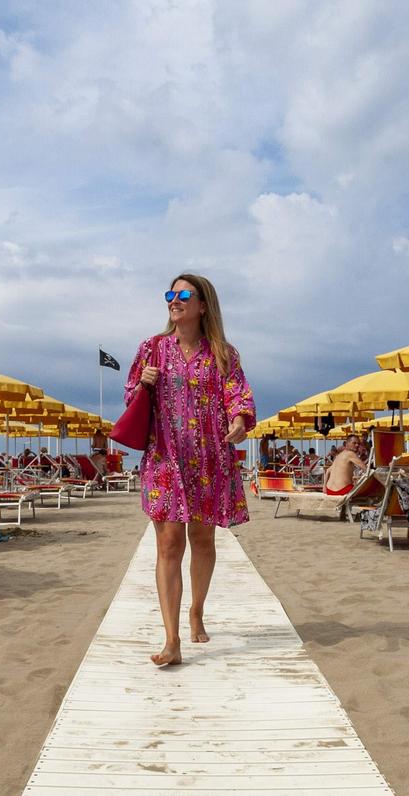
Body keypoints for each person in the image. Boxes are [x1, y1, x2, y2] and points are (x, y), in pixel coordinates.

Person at [126, 273, 255, 666]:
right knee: (168, 544)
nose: (174, 300)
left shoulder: (223, 354)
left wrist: (239, 419)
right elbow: (130, 398)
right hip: (164, 456)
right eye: (170, 293)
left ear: (202, 305)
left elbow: (237, 393)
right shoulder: (152, 348)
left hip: (208, 458)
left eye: (183, 294)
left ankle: (196, 610)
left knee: (202, 540)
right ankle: (172, 640)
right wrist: (142, 384)